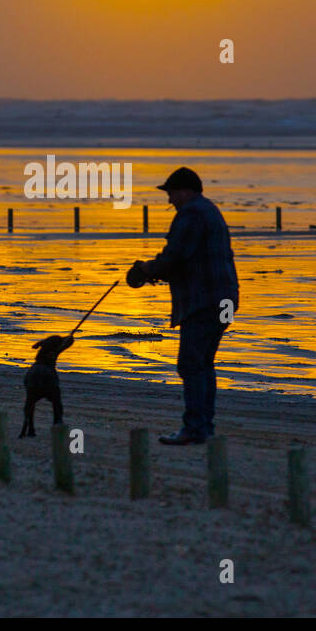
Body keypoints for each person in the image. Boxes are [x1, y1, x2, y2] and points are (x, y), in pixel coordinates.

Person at [127, 167, 239, 445]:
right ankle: (204, 427)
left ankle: (195, 429)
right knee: (203, 364)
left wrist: (144, 270)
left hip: (204, 300)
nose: (169, 200)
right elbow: (188, 259)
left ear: (186, 191)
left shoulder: (191, 214)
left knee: (191, 364)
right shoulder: (210, 210)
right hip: (224, 299)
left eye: (172, 193)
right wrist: (157, 272)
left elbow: (174, 257)